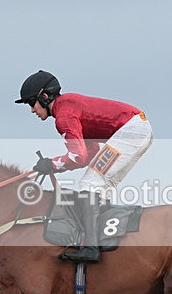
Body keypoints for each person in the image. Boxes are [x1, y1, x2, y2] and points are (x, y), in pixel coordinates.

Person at [15, 70, 153, 262]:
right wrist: (54, 165)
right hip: (136, 129)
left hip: (131, 131)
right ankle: (104, 240)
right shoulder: (67, 107)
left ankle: (91, 247)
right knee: (101, 184)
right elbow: (89, 153)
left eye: (32, 103)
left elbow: (78, 157)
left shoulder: (64, 116)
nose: (32, 110)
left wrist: (52, 164)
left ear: (44, 97)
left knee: (90, 183)